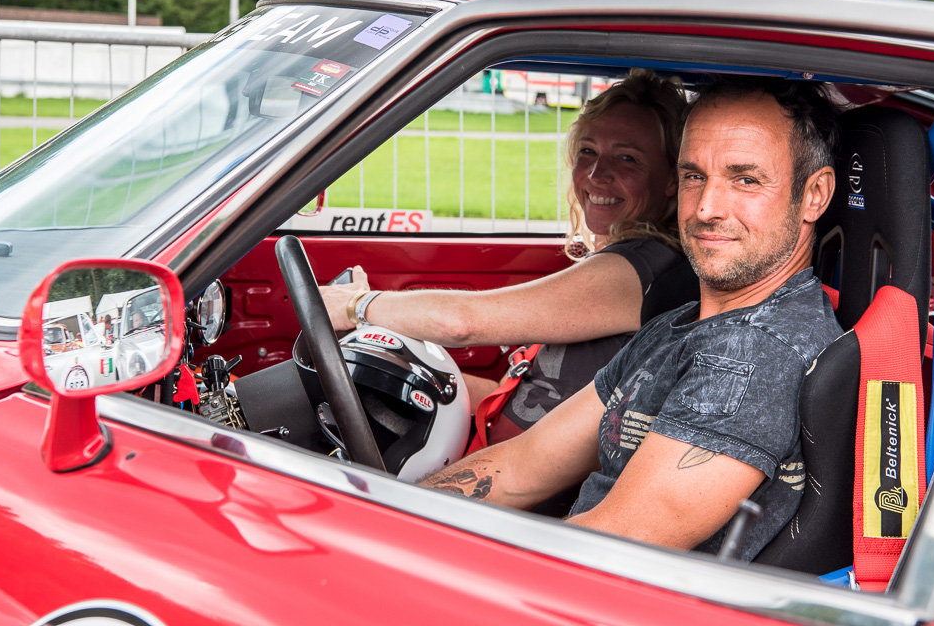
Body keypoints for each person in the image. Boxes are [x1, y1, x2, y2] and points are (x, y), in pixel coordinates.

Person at [417, 77, 845, 560]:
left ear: (814, 194)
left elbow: (602, 554)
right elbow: (522, 465)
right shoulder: (685, 323)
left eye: (745, 180)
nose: (706, 208)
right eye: (694, 176)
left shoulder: (753, 357)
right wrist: (400, 518)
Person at [322, 69, 699, 444]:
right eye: (588, 151)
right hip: (494, 446)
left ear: (671, 178)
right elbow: (517, 395)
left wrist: (359, 306)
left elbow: (461, 323)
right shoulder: (626, 259)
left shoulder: (640, 270)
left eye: (628, 159)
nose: (597, 173)